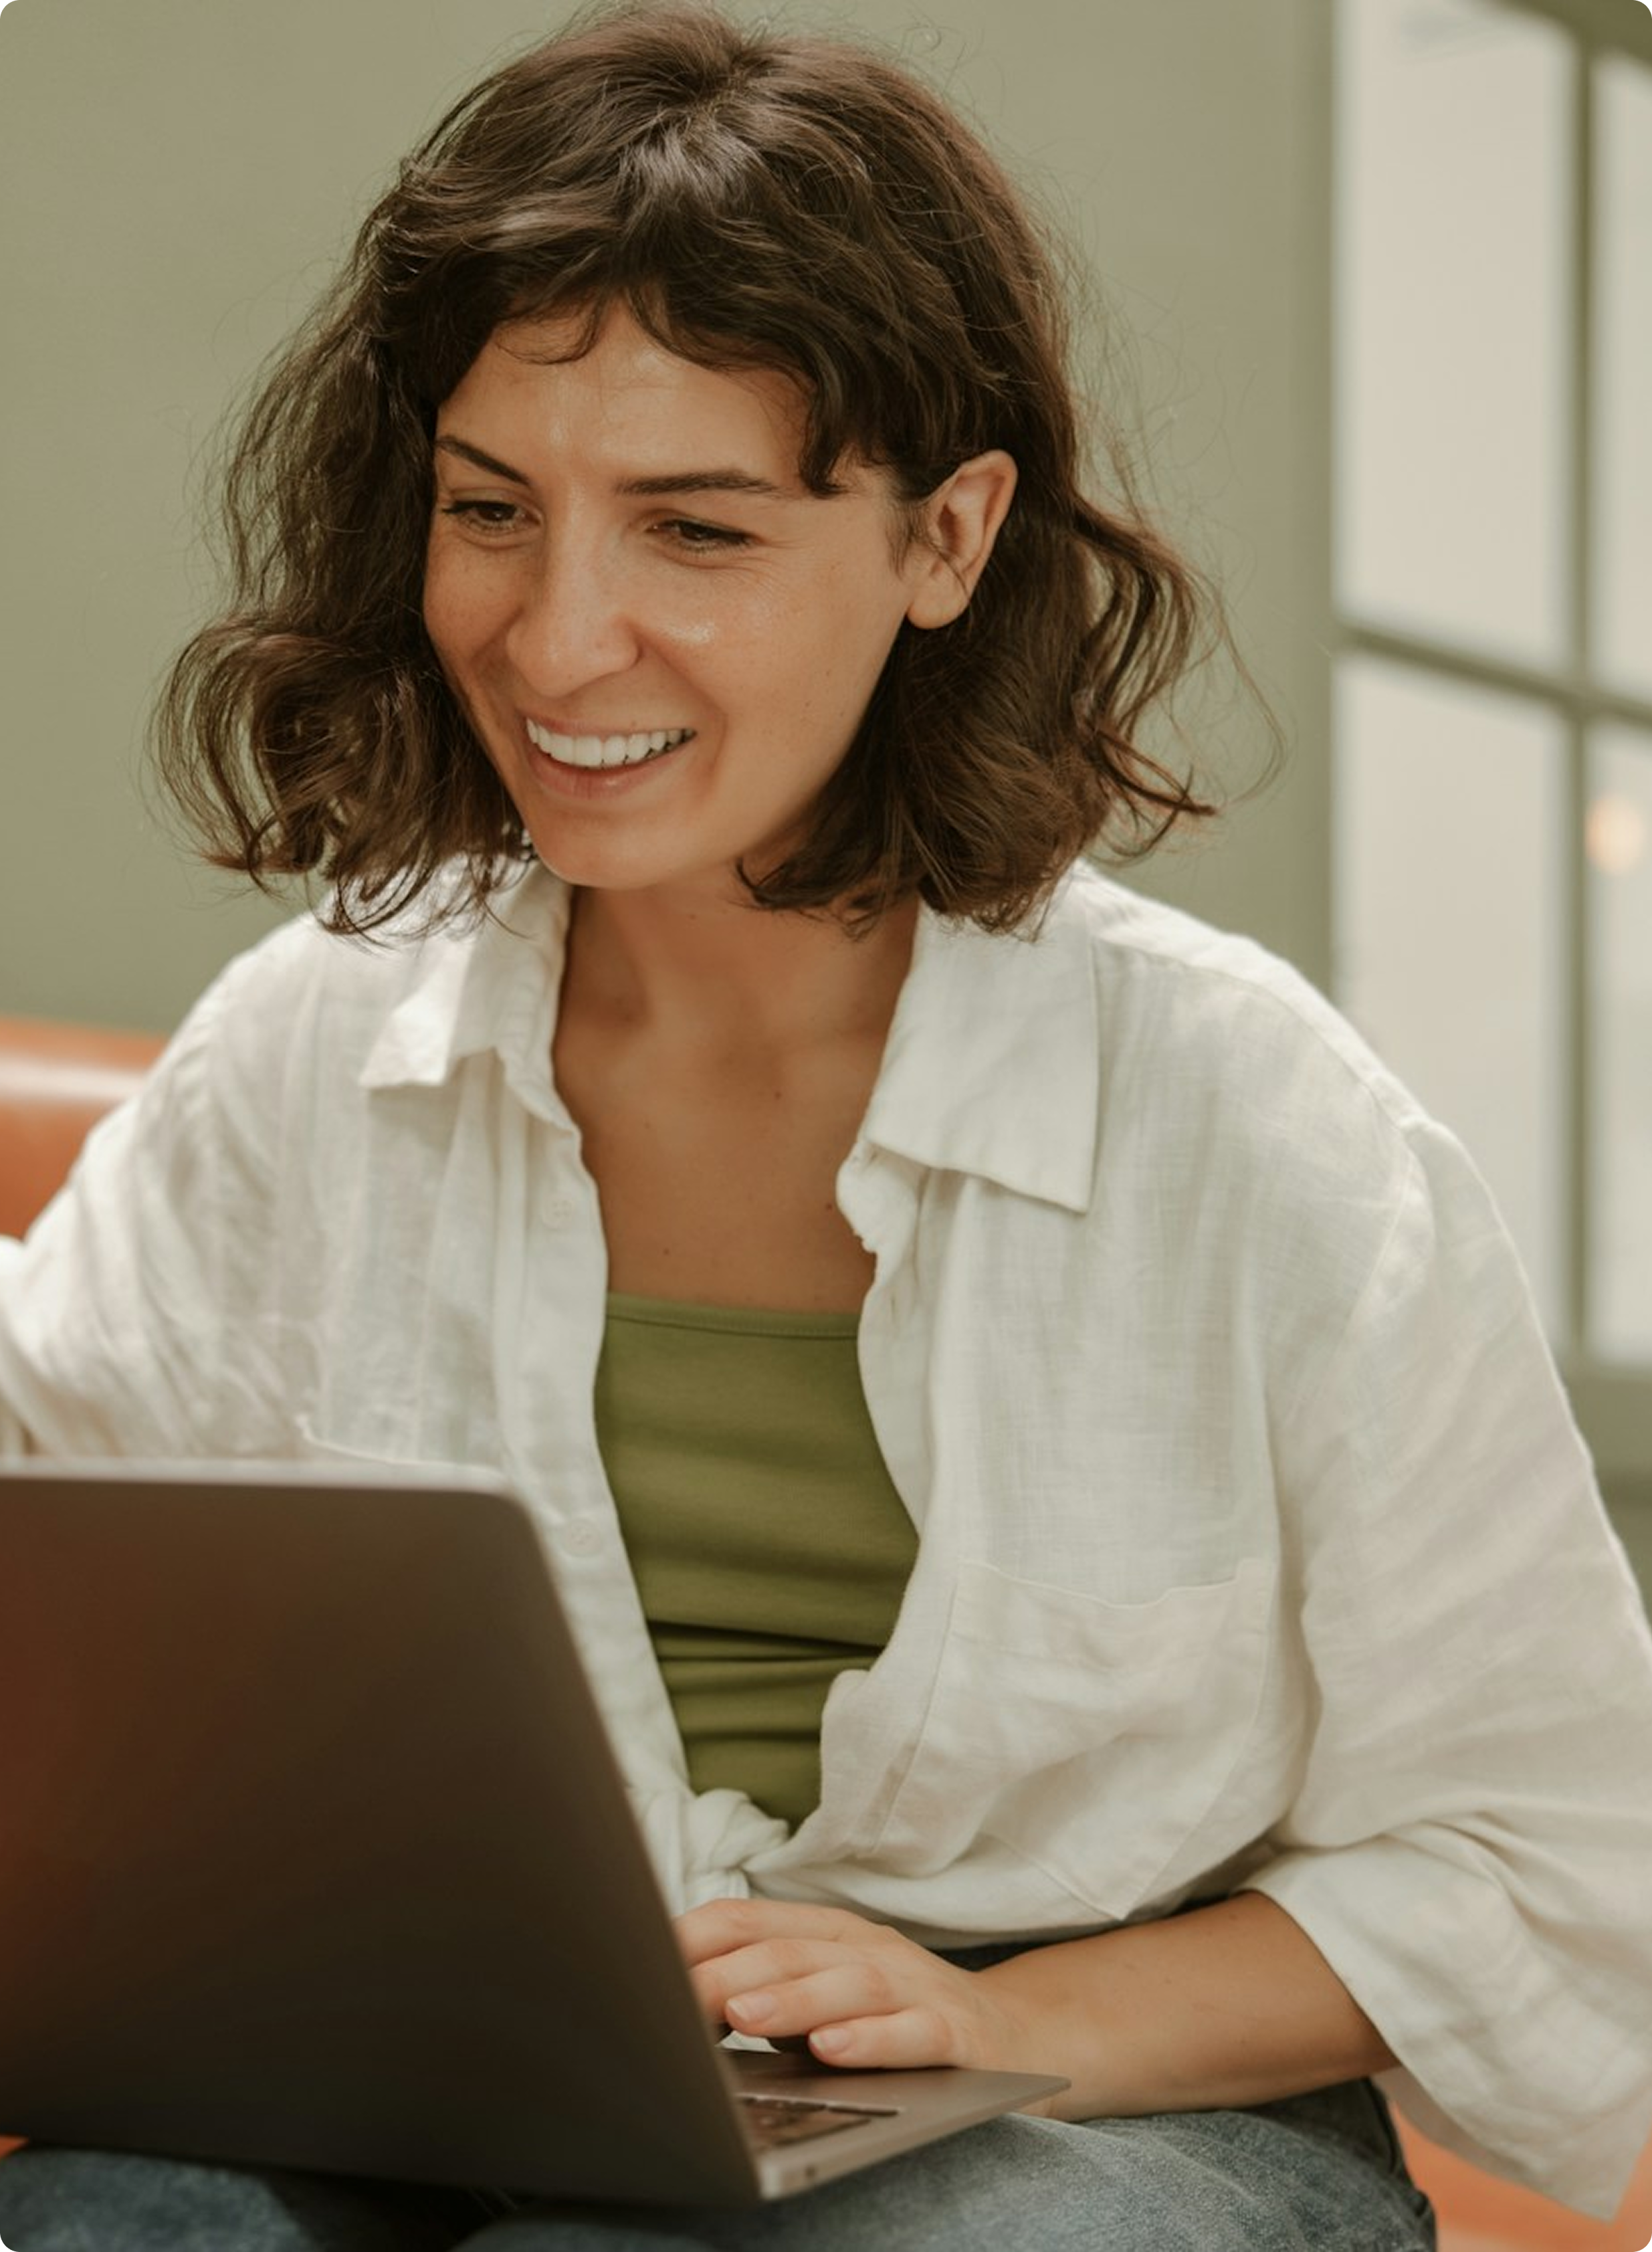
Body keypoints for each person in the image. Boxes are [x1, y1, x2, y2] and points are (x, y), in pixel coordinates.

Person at [3, 5, 1651, 2247]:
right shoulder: (307, 1054)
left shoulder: (1255, 1126)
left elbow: (1540, 1858)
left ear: (946, 537)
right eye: (490, 508)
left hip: (1094, 2090)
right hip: (449, 2044)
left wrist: (995, 2008)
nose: (557, 637)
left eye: (693, 526)